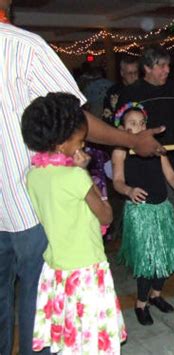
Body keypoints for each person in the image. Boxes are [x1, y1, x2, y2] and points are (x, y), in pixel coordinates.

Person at [0, 4, 163, 354]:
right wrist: (130, 142)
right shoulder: (23, 47)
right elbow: (104, 214)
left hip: (41, 240)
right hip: (44, 234)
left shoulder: (36, 178)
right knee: (38, 301)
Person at [21, 93, 126, 353]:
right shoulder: (75, 178)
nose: (82, 147)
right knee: (91, 340)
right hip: (86, 268)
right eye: (79, 142)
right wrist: (83, 172)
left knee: (72, 334)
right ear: (60, 143)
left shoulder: (33, 176)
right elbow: (106, 216)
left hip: (57, 268)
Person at [112, 102, 174, 326]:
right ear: (122, 128)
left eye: (141, 123)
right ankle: (141, 304)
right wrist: (129, 190)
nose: (138, 127)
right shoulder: (121, 150)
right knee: (147, 262)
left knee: (166, 257)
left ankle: (156, 295)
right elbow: (118, 181)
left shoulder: (155, 146)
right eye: (132, 123)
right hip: (140, 213)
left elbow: (170, 174)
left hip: (162, 208)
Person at [117, 45, 174, 233]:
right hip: (147, 161)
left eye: (168, 65)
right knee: (154, 210)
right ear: (147, 68)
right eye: (161, 66)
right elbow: (120, 128)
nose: (167, 70)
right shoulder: (131, 93)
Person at [103, 55, 140, 124]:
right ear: (122, 73)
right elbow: (107, 118)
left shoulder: (143, 89)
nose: (134, 76)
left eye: (136, 72)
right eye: (130, 73)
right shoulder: (113, 92)